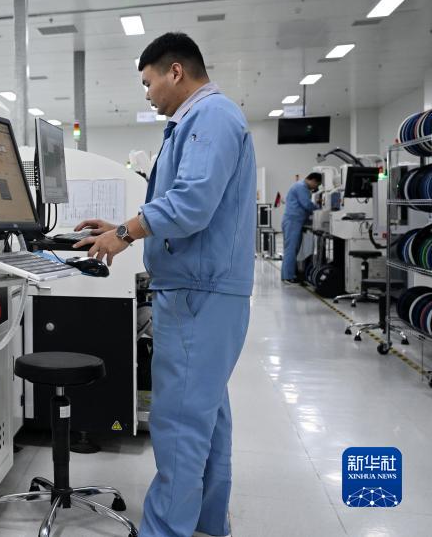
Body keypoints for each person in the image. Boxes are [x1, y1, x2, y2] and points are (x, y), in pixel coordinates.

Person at [73, 32, 255, 537]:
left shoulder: (209, 117)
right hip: (205, 289)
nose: (147, 93)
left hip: (199, 293)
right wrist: (119, 226)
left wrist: (124, 235)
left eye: (148, 81)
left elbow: (191, 204)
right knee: (207, 416)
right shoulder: (199, 121)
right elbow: (187, 204)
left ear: (175, 71)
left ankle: (165, 530)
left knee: (178, 424)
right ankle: (205, 523)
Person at [280, 173, 323, 282]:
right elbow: (307, 204)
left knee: (292, 249)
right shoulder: (301, 187)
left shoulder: (300, 186)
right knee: (291, 249)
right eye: (317, 184)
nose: (316, 187)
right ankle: (288, 277)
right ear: (313, 180)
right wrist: (320, 209)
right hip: (292, 221)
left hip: (294, 221)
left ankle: (288, 275)